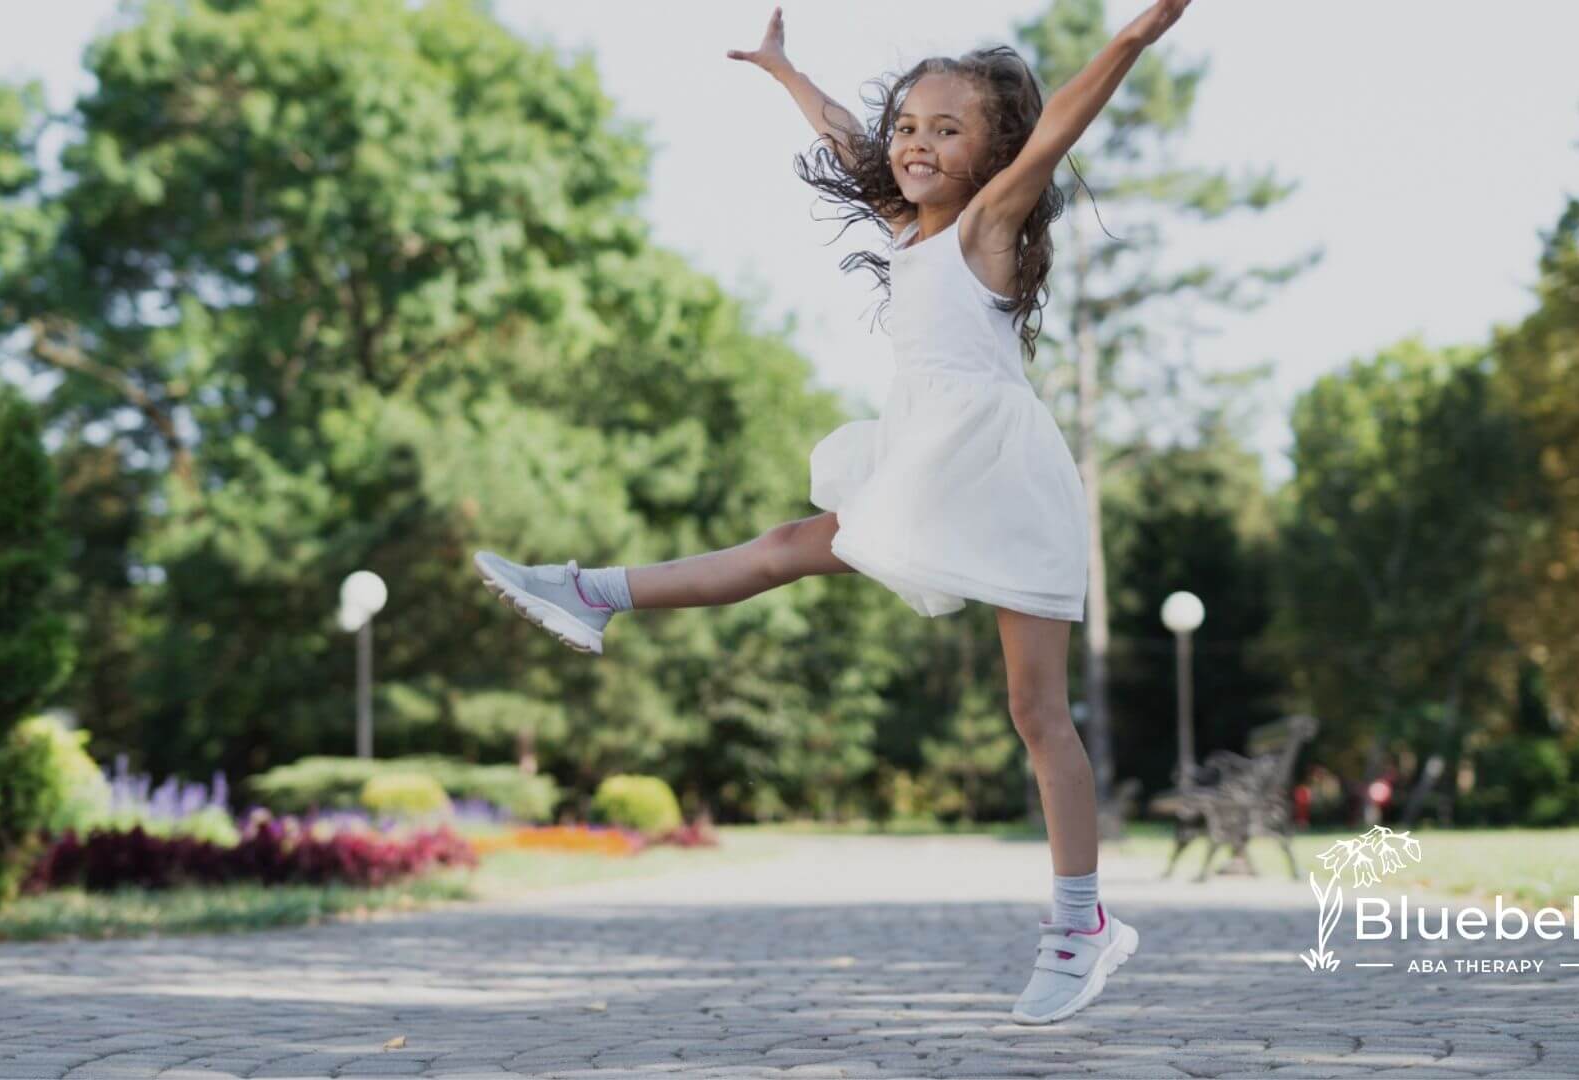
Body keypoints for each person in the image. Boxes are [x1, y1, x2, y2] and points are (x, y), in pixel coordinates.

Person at [474, 0, 1194, 1025]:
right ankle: (591, 593)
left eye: (949, 129)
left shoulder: (989, 226)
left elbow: (1063, 123)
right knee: (782, 548)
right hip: (926, 466)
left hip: (999, 478)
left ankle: (1082, 925)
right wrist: (782, 70)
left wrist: (1135, 35)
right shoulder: (908, 228)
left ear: (994, 149)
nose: (916, 143)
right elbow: (846, 140)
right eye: (911, 126)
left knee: (1037, 712)